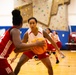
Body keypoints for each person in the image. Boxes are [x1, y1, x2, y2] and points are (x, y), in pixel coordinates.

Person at [0, 9, 45, 75]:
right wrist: (35, 44)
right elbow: (19, 45)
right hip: (1, 59)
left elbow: (16, 50)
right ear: (21, 23)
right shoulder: (16, 30)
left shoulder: (11, 30)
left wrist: (30, 49)